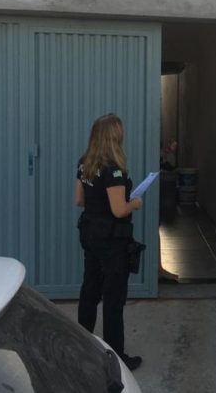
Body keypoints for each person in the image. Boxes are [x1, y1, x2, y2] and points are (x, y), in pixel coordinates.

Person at [74, 113, 143, 371]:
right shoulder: (114, 169)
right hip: (111, 242)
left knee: (90, 290)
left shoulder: (85, 163)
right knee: (113, 300)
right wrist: (135, 203)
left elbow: (79, 200)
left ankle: (81, 347)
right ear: (115, 137)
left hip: (90, 234)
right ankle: (117, 358)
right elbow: (119, 210)